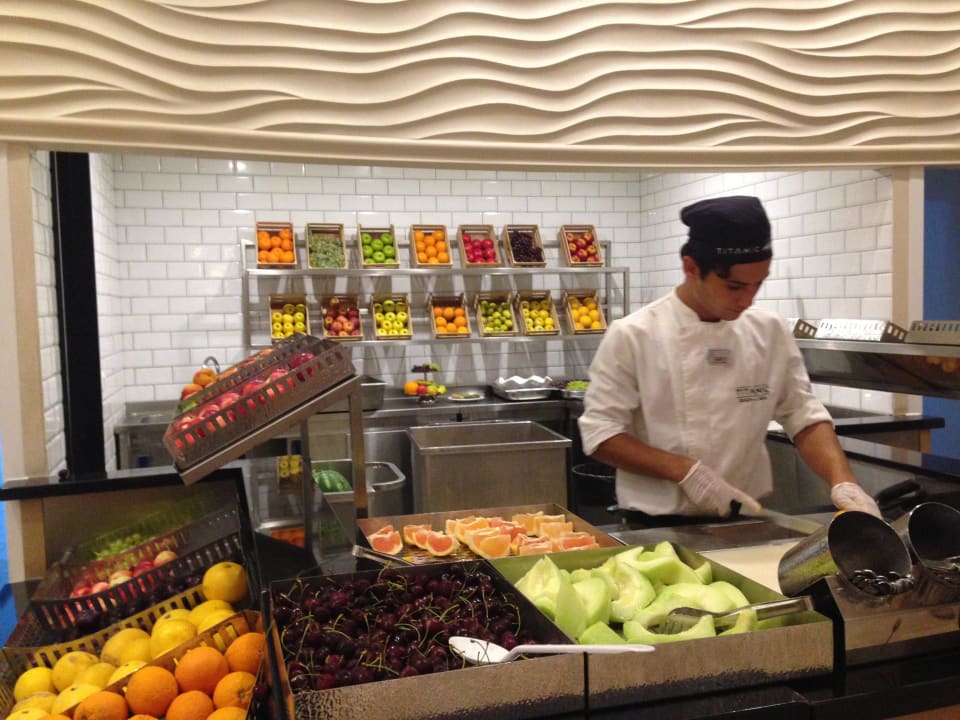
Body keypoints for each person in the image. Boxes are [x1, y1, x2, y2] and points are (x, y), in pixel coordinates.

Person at [578, 195, 881, 524]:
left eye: (757, 285)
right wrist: (685, 471)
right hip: (655, 524)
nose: (747, 300)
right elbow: (601, 435)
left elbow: (802, 414)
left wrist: (844, 482)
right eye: (735, 287)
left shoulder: (769, 331)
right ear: (691, 267)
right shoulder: (634, 335)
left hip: (745, 519)